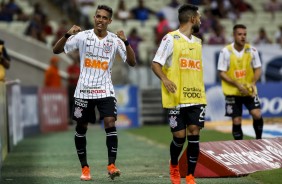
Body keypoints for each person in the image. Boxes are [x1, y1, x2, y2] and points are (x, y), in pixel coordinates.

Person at [52, 4, 136, 181]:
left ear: (109, 21)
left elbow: (132, 62)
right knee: (81, 127)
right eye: (98, 16)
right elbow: (56, 50)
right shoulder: (83, 36)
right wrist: (68, 34)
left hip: (105, 89)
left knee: (110, 121)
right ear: (94, 18)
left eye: (105, 18)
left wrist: (126, 41)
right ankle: (85, 168)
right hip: (83, 90)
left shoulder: (114, 40)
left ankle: (111, 165)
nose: (101, 20)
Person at [151, 4, 206, 184]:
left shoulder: (198, 42)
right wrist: (165, 80)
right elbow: (156, 64)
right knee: (179, 137)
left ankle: (190, 174)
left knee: (194, 132)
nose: (200, 20)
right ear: (192, 19)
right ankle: (174, 164)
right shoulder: (170, 39)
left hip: (196, 96)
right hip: (176, 98)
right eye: (198, 17)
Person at [217, 24, 264, 140]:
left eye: (244, 34)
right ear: (233, 35)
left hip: (249, 90)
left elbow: (258, 68)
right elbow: (221, 73)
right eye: (240, 34)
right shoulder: (225, 51)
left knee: (257, 114)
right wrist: (237, 85)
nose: (243, 37)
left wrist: (253, 83)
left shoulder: (252, 50)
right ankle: (239, 145)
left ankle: (259, 139)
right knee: (236, 119)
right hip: (232, 91)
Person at [67, 51, 80, 124]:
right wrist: (75, 76)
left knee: (78, 103)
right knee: (71, 102)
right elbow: (70, 76)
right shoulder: (70, 67)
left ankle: (77, 117)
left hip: (78, 87)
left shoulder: (78, 68)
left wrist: (75, 76)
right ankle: (70, 118)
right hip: (72, 87)